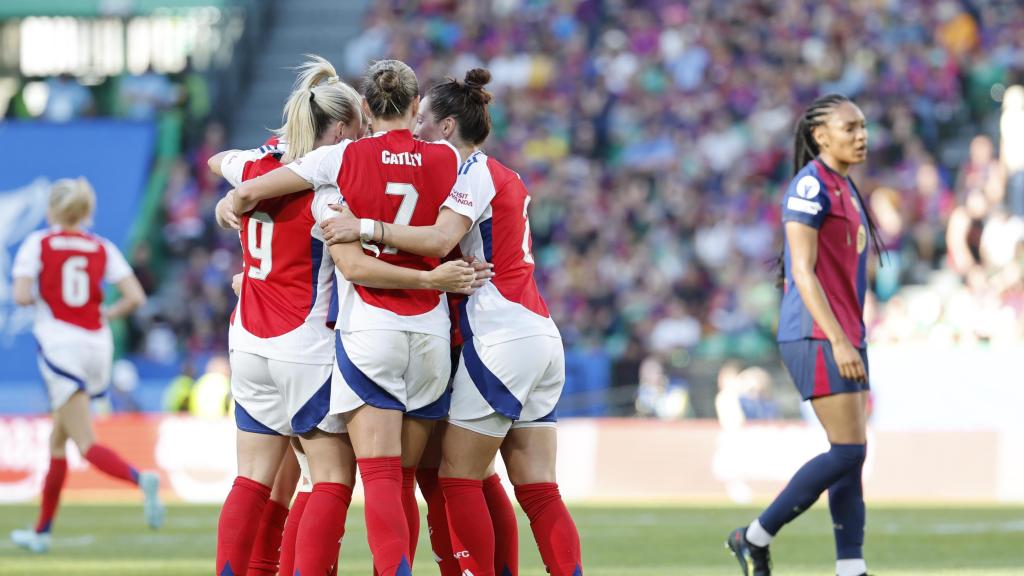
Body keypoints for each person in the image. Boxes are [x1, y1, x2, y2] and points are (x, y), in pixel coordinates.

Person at [322, 68, 583, 576]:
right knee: (538, 490)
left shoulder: (471, 171)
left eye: (421, 121)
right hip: (538, 333)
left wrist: (365, 226)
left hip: (498, 336)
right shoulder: (507, 174)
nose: (413, 131)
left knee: (459, 477)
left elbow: (440, 240)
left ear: (445, 127)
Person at [231, 58, 486, 576]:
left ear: (366, 109)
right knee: (409, 475)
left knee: (377, 480)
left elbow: (256, 187)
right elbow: (451, 231)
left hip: (370, 330)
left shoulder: (341, 158)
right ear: (417, 108)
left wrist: (234, 199)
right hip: (431, 331)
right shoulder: (444, 159)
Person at [207, 55, 368, 576]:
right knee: (330, 479)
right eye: (359, 130)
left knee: (252, 477)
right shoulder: (332, 179)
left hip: (248, 341)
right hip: (305, 342)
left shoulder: (257, 164)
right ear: (340, 128)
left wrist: (226, 203)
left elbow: (218, 160)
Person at [726, 94, 880, 576]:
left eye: (863, 126)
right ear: (819, 135)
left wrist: (852, 333)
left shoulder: (844, 187)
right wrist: (837, 339)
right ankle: (754, 536)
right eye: (849, 127)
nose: (861, 135)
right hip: (815, 333)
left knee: (852, 454)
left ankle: (851, 567)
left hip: (844, 331)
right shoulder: (809, 186)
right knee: (849, 450)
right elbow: (804, 273)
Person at [9, 178, 162, 553]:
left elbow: (22, 295)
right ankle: (42, 532)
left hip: (61, 346)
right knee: (57, 440)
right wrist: (106, 311)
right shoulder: (100, 246)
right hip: (97, 344)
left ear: (54, 210)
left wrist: (44, 297)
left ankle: (140, 479)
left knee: (84, 443)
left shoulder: (39, 243)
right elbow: (135, 296)